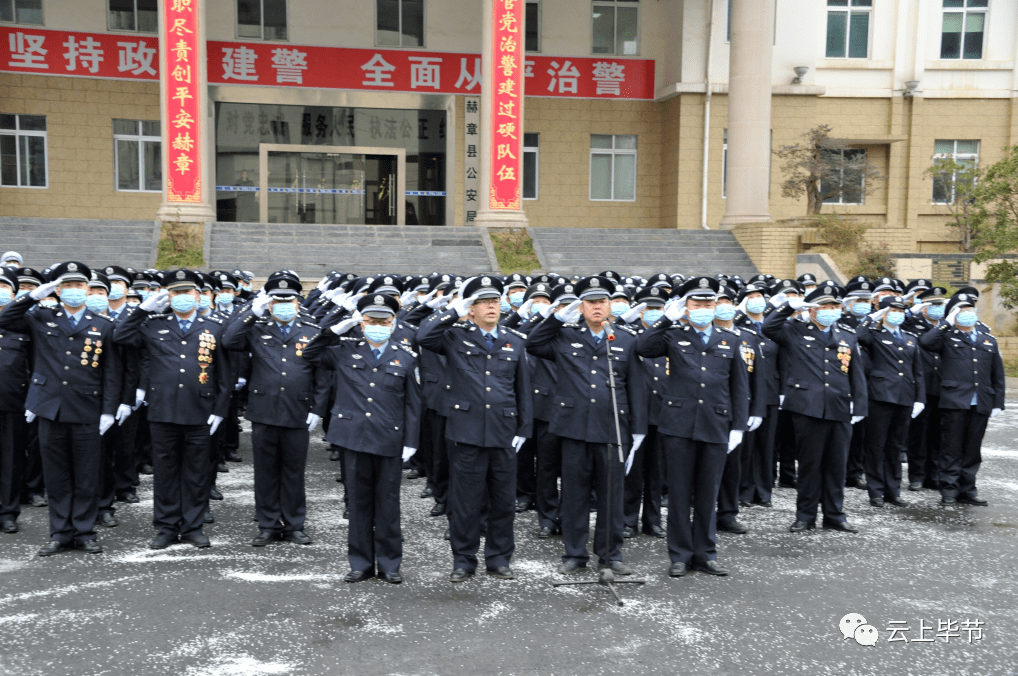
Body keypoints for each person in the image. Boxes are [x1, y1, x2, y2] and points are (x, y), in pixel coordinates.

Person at [525, 276, 646, 577]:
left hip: (612, 429)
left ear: (609, 306)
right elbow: (533, 342)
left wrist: (638, 430)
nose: (596, 307)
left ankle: (611, 554)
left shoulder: (625, 339)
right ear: (580, 307)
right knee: (575, 495)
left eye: (602, 302)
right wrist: (555, 319)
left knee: (611, 495)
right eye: (590, 303)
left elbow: (636, 387)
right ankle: (574, 554)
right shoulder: (565, 336)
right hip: (574, 428)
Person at [0, 262, 122, 556]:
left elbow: (112, 372)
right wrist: (31, 296)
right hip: (50, 407)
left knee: (85, 475)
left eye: (79, 286)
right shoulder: (41, 316)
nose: (74, 291)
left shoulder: (102, 325)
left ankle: (84, 531)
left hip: (87, 408)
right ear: (58, 289)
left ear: (87, 289)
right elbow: (6, 320)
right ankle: (60, 532)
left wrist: (108, 410)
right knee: (56, 476)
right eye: (67, 285)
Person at [417, 275, 532, 583]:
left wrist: (523, 428)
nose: (491, 306)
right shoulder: (455, 336)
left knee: (503, 500)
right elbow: (424, 337)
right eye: (483, 302)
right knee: (465, 501)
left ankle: (498, 558)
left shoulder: (514, 340)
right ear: (471, 308)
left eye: (495, 300)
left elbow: (522, 388)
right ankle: (464, 559)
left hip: (503, 431)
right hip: (466, 430)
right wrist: (454, 311)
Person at [303, 293, 421, 583]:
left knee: (388, 504)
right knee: (357, 503)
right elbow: (309, 354)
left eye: (383, 321)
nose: (377, 326)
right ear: (361, 324)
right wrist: (336, 329)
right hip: (352, 438)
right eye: (370, 321)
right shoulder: (343, 350)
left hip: (388, 439)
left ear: (393, 324)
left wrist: (412, 441)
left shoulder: (406, 358)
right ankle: (360, 563)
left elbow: (414, 404)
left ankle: (390, 564)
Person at [636, 277, 749, 577]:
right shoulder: (673, 336)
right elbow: (643, 347)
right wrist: (664, 319)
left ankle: (706, 553)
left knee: (707, 493)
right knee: (679, 493)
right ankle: (679, 555)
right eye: (697, 304)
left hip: (715, 424)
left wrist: (738, 426)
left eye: (708, 304)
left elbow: (739, 386)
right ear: (685, 308)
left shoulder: (731, 340)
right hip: (678, 424)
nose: (703, 308)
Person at [113, 269, 231, 549]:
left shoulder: (214, 326)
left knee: (196, 471)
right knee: (165, 472)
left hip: (200, 410)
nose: (182, 298)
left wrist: (220, 409)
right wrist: (142, 309)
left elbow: (225, 374)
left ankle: (193, 526)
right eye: (176, 293)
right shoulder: (153, 324)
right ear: (168, 296)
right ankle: (166, 527)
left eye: (187, 292)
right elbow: (120, 336)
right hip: (163, 410)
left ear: (198, 295)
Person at [223, 274, 329, 547]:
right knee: (265, 472)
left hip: (297, 411)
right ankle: (268, 524)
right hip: (264, 410)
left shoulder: (311, 331)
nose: (284, 304)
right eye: (277, 300)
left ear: (297, 302)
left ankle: (295, 524)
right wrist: (252, 312)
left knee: (294, 472)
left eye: (289, 299)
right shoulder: (257, 328)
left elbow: (322, 374)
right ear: (269, 304)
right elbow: (229, 340)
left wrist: (318, 408)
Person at [763, 283, 868, 534]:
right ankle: (805, 515)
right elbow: (768, 328)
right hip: (807, 407)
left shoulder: (846, 333)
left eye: (834, 306)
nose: (830, 310)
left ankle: (835, 515)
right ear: (811, 310)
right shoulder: (794, 330)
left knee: (836, 464)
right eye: (824, 306)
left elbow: (856, 372)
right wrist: (788, 307)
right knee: (810, 464)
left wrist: (860, 404)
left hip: (840, 406)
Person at [918, 292, 1005, 506]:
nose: (967, 314)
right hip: (955, 401)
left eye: (970, 311)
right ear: (954, 315)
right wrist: (945, 324)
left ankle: (968, 489)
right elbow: (926, 342)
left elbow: (997, 375)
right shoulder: (947, 337)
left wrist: (998, 402)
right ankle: (949, 489)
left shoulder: (988, 340)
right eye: (962, 311)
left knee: (972, 449)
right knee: (951, 447)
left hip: (981, 401)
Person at [856, 295, 926, 508]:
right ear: (884, 313)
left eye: (900, 310)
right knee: (876, 446)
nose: (898, 314)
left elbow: (918, 371)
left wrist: (920, 398)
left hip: (904, 397)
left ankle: (892, 491)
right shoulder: (874, 335)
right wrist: (872, 316)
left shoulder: (910, 337)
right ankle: (876, 491)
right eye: (893, 310)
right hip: (880, 396)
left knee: (895, 446)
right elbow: (859, 336)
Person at [903, 286, 948, 491]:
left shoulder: (947, 326)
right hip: (921, 387)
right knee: (919, 435)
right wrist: (909, 308)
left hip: (943, 387)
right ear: (923, 307)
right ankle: (917, 476)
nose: (938, 308)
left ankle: (934, 475)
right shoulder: (912, 324)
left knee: (939, 435)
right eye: (933, 305)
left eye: (941, 304)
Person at [0, 267, 31, 534]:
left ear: (13, 292)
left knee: (11, 459)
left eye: (4, 286)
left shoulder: (26, 322)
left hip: (14, 402)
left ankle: (8, 512)